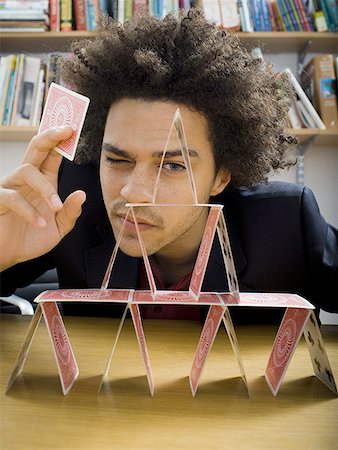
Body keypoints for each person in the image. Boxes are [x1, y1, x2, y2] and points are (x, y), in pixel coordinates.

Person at [0, 9, 337, 323]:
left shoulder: (286, 222)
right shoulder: (69, 203)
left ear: (222, 174)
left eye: (173, 166)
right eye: (117, 159)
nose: (134, 192)